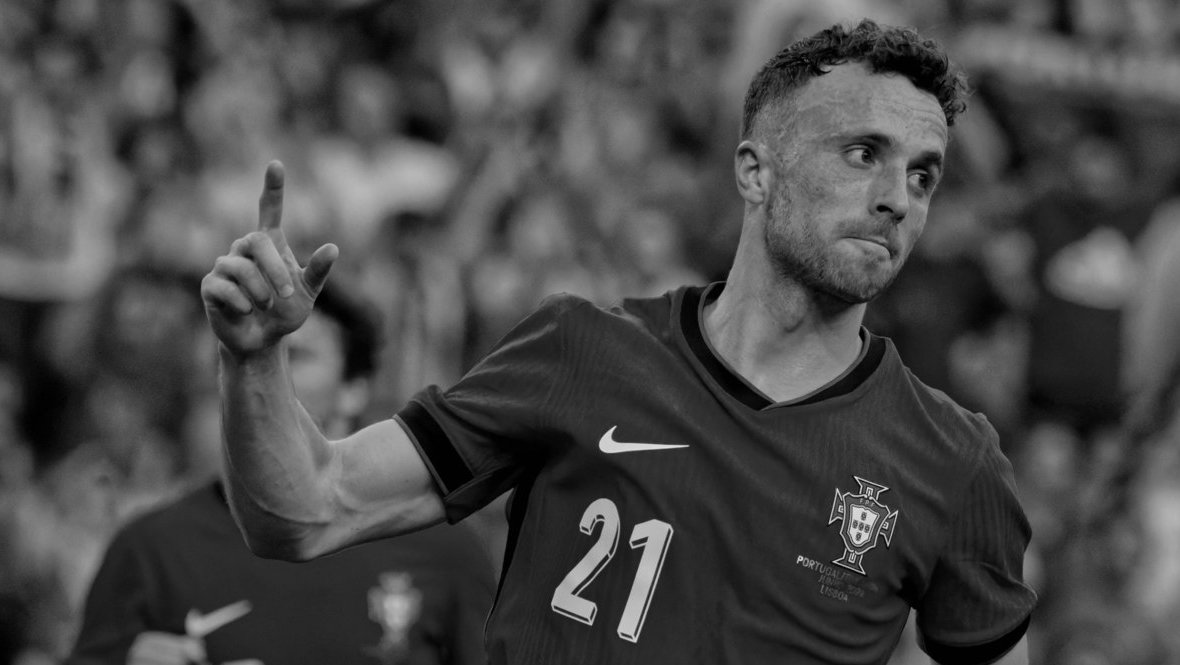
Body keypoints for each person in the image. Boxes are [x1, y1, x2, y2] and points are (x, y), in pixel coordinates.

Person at [200, 19, 1037, 665]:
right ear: (756, 171)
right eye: (863, 153)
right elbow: (305, 509)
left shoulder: (952, 460)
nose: (898, 198)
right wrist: (253, 359)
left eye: (923, 173)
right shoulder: (580, 351)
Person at [65, 278, 497, 665]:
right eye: (241, 355)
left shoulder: (447, 548)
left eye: (296, 355)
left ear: (353, 388)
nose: (264, 371)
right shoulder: (149, 549)